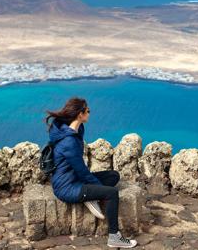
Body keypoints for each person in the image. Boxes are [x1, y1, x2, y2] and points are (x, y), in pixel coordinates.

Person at [44, 97, 137, 248]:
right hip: (68, 187)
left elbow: (80, 170)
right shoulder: (69, 141)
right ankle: (114, 237)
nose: (89, 113)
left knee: (114, 175)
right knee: (112, 193)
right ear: (80, 114)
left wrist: (97, 188)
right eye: (88, 110)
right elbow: (81, 171)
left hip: (75, 179)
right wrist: (100, 190)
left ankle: (90, 196)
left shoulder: (75, 130)